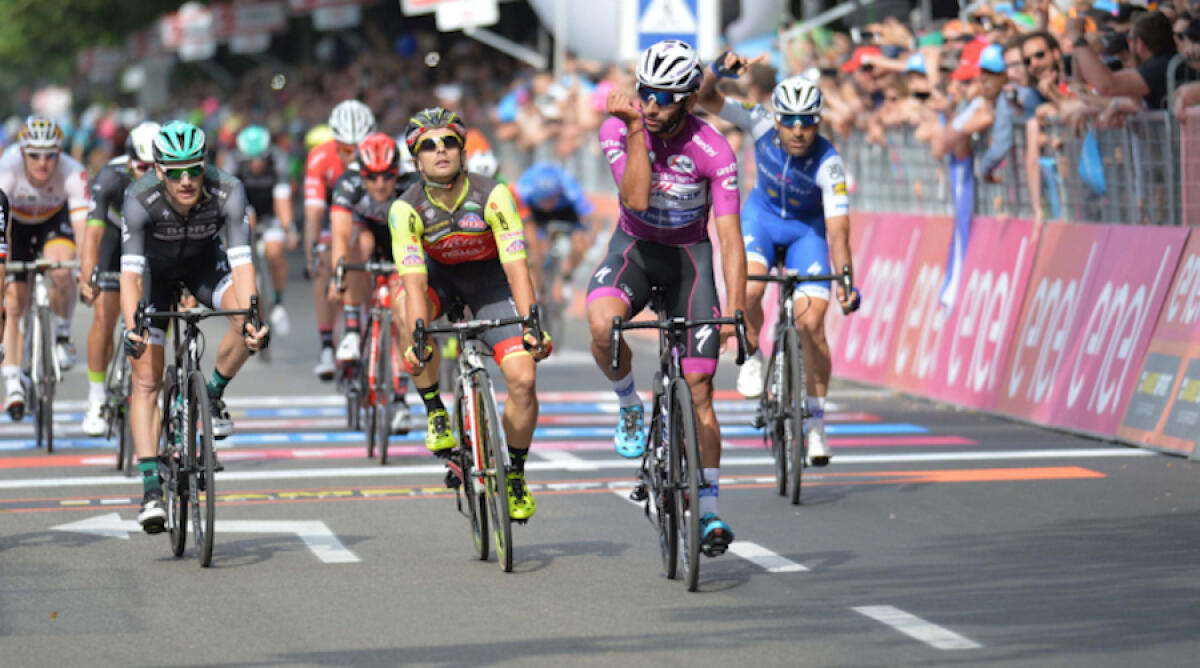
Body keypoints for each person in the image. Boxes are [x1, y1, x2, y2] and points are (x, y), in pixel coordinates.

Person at [586, 39, 748, 556]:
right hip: (634, 249)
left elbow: (730, 239)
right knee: (602, 325)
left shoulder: (714, 150)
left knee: (700, 390)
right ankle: (629, 404)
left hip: (688, 262)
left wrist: (737, 311)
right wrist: (635, 127)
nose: (652, 105)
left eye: (665, 97)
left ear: (690, 100)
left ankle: (708, 511)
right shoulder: (618, 127)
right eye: (645, 93)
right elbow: (635, 198)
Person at [697, 52, 859, 468]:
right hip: (762, 220)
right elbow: (704, 98)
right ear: (777, 117)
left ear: (818, 122)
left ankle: (816, 424)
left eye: (808, 121)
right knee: (750, 288)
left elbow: (839, 230)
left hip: (807, 232)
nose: (798, 130)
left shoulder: (830, 162)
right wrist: (718, 69)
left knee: (812, 325)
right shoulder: (759, 120)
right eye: (790, 121)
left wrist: (845, 279)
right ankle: (751, 355)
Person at [390, 107, 551, 522]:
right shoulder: (405, 209)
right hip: (438, 281)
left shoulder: (493, 195)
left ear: (463, 152)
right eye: (429, 146)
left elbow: (517, 268)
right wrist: (419, 335)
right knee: (403, 307)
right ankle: (435, 411)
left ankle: (514, 474)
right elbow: (413, 281)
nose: (440, 150)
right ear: (417, 161)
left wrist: (532, 324)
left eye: (449, 142)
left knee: (523, 380)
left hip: (489, 283)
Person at [120, 121, 269, 532]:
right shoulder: (139, 197)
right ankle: (151, 490)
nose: (186, 181)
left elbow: (242, 263)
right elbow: (130, 276)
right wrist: (133, 326)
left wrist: (252, 317)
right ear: (159, 170)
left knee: (248, 318)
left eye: (194, 169)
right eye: (175, 172)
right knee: (146, 379)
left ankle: (213, 392)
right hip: (153, 275)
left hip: (204, 265)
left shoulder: (228, 190)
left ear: (205, 165)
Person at [328, 132, 421, 435]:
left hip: (400, 240)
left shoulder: (412, 185)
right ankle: (352, 330)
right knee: (358, 247)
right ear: (362, 174)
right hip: (366, 233)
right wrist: (338, 276)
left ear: (398, 172)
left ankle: (400, 398)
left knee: (403, 312)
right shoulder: (349, 184)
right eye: (372, 177)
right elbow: (340, 236)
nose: (380, 185)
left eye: (387, 176)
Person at [0, 116, 89, 420]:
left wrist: (85, 271)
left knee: (62, 270)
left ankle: (62, 333)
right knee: (14, 301)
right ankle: (12, 379)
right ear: (22, 152)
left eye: (50, 155)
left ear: (59, 153)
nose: (42, 162)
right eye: (35, 155)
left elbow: (82, 229)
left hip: (54, 221)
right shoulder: (7, 169)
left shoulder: (72, 171)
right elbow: (2, 229)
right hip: (15, 226)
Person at [78, 121, 160, 436]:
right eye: (143, 168)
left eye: (156, 167)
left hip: (153, 237)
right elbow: (93, 234)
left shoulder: (173, 180)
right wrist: (88, 274)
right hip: (114, 238)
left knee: (159, 314)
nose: (151, 175)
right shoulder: (111, 177)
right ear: (129, 163)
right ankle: (96, 397)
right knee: (105, 314)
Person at [303, 100, 376, 380]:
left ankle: (370, 319)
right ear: (336, 144)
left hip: (367, 212)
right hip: (332, 214)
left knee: (365, 250)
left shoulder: (380, 152)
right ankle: (326, 345)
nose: (353, 156)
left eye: (359, 148)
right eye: (346, 150)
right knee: (324, 261)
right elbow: (313, 213)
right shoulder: (320, 157)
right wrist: (311, 253)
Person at [235, 124, 296, 336]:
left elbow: (282, 198)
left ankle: (278, 301)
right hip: (245, 208)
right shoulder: (233, 162)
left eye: (261, 157)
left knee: (274, 252)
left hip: (271, 211)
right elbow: (230, 201)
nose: (257, 163)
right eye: (251, 159)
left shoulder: (278, 160)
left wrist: (289, 228)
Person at [513, 161, 597, 301]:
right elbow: (517, 219)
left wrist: (591, 237)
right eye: (545, 200)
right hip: (536, 211)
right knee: (534, 248)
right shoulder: (524, 189)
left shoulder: (569, 187)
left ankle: (567, 274)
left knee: (580, 243)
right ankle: (538, 289)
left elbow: (590, 215)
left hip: (564, 211)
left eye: (551, 200)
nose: (548, 205)